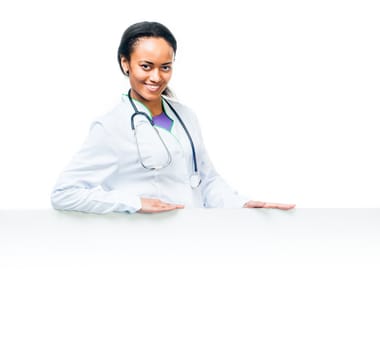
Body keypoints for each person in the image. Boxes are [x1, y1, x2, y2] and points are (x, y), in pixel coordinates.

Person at [51, 21, 295, 214]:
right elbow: (65, 193)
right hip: (142, 241)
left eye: (165, 67)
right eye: (146, 66)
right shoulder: (110, 125)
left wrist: (241, 204)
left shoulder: (186, 116)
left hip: (193, 236)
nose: (156, 77)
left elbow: (205, 180)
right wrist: (134, 202)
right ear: (126, 64)